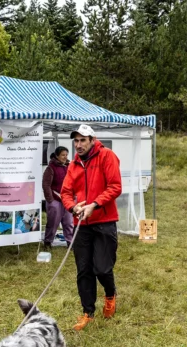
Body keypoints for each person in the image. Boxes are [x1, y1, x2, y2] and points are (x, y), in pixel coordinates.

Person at [60, 124, 122, 331]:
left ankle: (110, 295)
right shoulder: (73, 164)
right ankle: (88, 313)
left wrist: (94, 204)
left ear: (92, 140)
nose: (78, 145)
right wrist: (72, 207)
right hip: (81, 224)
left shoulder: (107, 156)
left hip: (104, 221)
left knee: (102, 268)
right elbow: (66, 192)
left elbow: (115, 186)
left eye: (82, 140)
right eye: (75, 141)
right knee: (84, 270)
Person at [42, 147, 75, 249]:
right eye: (63, 155)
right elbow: (46, 184)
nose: (65, 157)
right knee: (53, 222)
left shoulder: (69, 166)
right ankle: (48, 242)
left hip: (68, 200)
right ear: (57, 156)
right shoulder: (50, 168)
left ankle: (70, 243)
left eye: (66, 155)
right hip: (55, 200)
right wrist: (50, 200)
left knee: (69, 222)